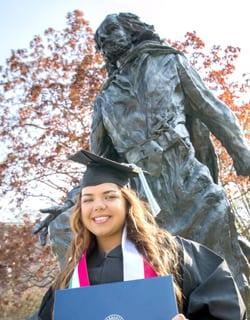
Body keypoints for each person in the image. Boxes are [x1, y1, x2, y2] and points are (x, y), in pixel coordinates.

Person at [36, 150, 250, 320]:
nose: (98, 206)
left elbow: (221, 312)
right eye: (88, 199)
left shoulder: (173, 253)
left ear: (128, 202)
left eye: (109, 196)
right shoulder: (68, 279)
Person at [90, 12, 250, 295]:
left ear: (132, 30)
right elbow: (101, 161)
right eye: (100, 39)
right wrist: (81, 198)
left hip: (190, 181)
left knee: (222, 270)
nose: (105, 38)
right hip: (148, 199)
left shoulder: (168, 62)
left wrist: (242, 153)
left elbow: (213, 111)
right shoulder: (104, 99)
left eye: (111, 29)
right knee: (170, 282)